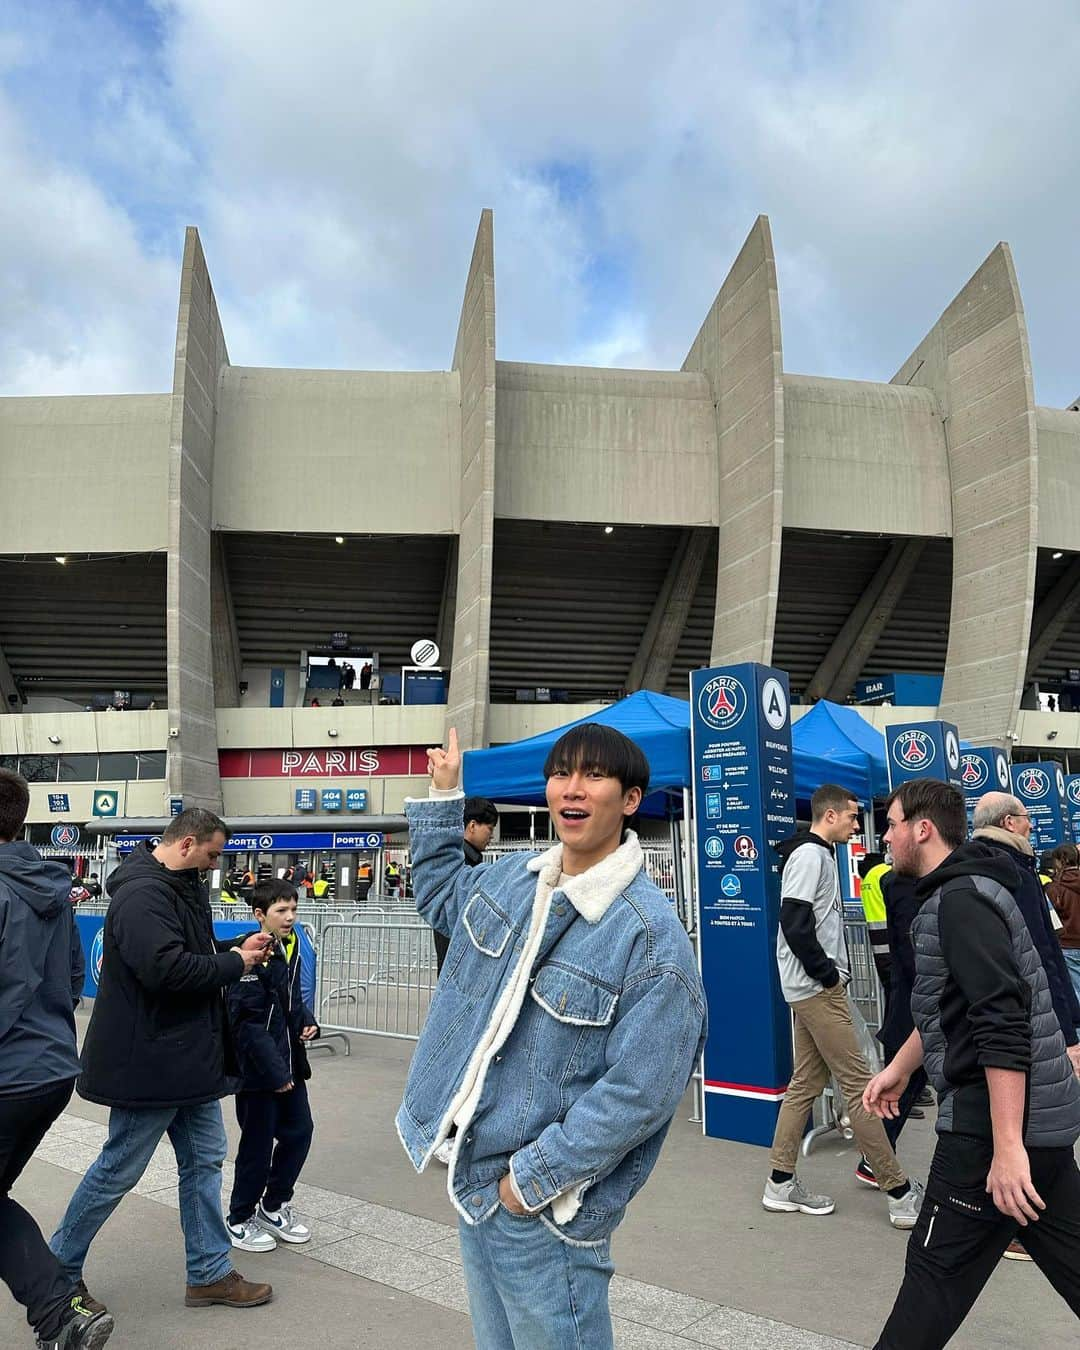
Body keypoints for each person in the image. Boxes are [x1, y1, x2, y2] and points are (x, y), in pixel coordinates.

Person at [398, 724, 706, 1349]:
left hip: (545, 1209)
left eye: (594, 776)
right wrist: (443, 796)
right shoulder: (515, 879)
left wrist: (529, 1183)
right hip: (474, 1181)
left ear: (631, 801)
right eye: (561, 773)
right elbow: (440, 898)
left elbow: (639, 1094)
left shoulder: (651, 940)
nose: (572, 788)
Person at [866, 779, 1080, 1349]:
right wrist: (901, 1068)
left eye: (890, 824)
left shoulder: (959, 902)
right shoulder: (975, 889)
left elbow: (1000, 1020)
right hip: (1041, 1129)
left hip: (990, 1135)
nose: (885, 837)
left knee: (931, 1288)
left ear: (923, 828)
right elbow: (952, 1005)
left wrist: (1008, 1146)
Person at [49, 810, 274, 1313]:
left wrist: (234, 947)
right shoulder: (143, 894)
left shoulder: (176, 886)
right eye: (213, 855)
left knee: (204, 1159)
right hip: (149, 1061)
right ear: (188, 843)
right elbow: (166, 970)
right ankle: (57, 1269)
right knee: (119, 1168)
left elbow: (190, 953)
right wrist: (235, 964)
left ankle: (210, 1272)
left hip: (183, 1060)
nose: (216, 866)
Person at [762, 784, 922, 1228]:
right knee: (859, 1086)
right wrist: (828, 974)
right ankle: (898, 1191)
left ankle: (779, 1181)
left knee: (805, 1084)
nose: (858, 824)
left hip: (809, 987)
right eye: (852, 817)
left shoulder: (814, 855)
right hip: (817, 989)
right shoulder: (810, 856)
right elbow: (794, 921)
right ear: (829, 816)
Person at [0, 769, 113, 1350]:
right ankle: (62, 1308)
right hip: (49, 1069)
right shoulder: (48, 887)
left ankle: (60, 1310)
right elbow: (72, 981)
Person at [225, 880, 319, 1252]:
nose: (290, 917)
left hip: (288, 1064)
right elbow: (246, 1023)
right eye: (282, 910)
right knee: (257, 1145)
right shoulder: (251, 955)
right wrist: (275, 1073)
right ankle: (239, 1217)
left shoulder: (290, 946)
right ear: (259, 915)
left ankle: (274, 1204)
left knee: (300, 1131)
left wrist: (306, 1021)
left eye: (294, 909)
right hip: (259, 1072)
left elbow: (289, 1000)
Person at [433, 797, 499, 977]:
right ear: (472, 826)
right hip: (459, 962)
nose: (491, 836)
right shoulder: (462, 864)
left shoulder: (458, 859)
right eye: (490, 829)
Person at [1046, 842, 1080, 1002]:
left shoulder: (1055, 888)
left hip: (1068, 945)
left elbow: (1052, 920)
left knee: (1076, 991)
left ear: (1061, 860)